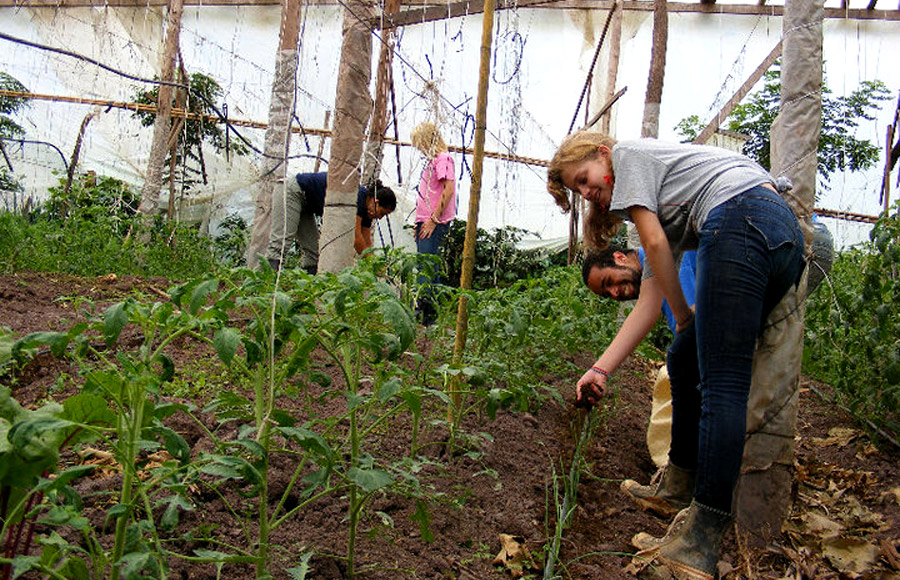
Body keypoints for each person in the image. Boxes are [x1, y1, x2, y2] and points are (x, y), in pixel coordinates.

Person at [548, 132, 806, 579]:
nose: (588, 193)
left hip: (744, 220)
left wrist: (685, 315)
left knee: (722, 383)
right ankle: (678, 483)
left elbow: (655, 248)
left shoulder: (629, 157)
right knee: (686, 356)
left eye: (585, 179)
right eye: (579, 190)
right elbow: (650, 303)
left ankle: (700, 539)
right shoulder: (646, 199)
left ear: (602, 154)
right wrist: (599, 369)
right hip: (777, 234)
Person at [583, 246, 698, 493]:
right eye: (606, 293)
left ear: (619, 257)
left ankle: (685, 484)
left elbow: (694, 321)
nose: (614, 293)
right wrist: (600, 371)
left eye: (608, 281)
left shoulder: (669, 254)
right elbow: (645, 310)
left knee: (682, 365)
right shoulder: (652, 268)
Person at [266, 172, 397, 274]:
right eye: (382, 213)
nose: (380, 218)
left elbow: (367, 243)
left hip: (307, 205)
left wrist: (376, 264)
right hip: (292, 191)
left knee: (315, 252)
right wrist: (372, 265)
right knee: (282, 241)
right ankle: (265, 282)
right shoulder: (357, 197)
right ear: (376, 202)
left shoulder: (368, 212)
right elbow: (356, 238)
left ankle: (307, 285)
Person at [411, 122, 457, 324]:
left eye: (420, 144)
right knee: (431, 265)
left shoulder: (443, 159)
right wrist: (419, 222)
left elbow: (448, 190)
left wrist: (433, 220)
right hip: (425, 220)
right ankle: (434, 312)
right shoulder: (432, 162)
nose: (419, 149)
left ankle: (424, 312)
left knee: (425, 266)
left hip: (433, 221)